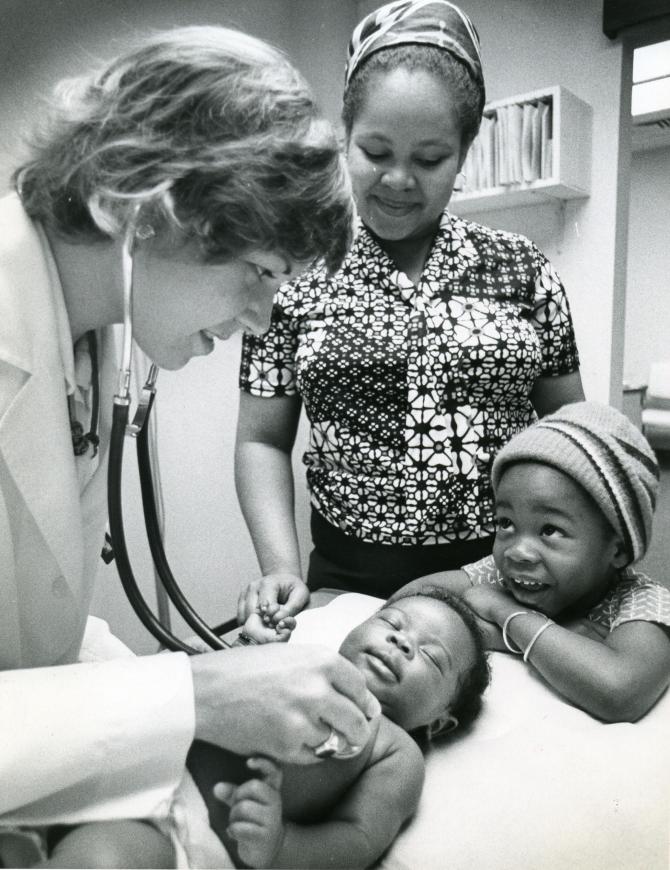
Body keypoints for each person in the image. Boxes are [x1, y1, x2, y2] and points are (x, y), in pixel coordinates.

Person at [0, 25, 381, 868]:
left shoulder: (85, 341)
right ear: (140, 204)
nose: (259, 319)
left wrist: (202, 683)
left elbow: (41, 641)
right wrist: (191, 695)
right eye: (258, 272)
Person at [235, 0, 585, 623]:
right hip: (346, 582)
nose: (398, 180)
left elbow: (570, 433)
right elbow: (262, 439)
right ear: (346, 137)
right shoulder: (293, 273)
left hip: (503, 579)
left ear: (465, 150)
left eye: (428, 160)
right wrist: (280, 567)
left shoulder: (522, 269)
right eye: (374, 151)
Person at [44, 588, 489, 869]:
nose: (401, 641)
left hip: (184, 827)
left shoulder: (393, 750)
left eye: (431, 657)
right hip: (130, 755)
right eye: (391, 623)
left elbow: (358, 838)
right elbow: (200, 687)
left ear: (441, 719)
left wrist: (281, 846)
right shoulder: (300, 660)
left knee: (101, 860)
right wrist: (248, 647)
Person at [398, 401, 670, 723]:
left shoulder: (643, 604)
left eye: (550, 530)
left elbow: (618, 692)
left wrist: (508, 617)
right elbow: (410, 600)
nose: (517, 551)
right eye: (505, 523)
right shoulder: (504, 573)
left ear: (619, 550)